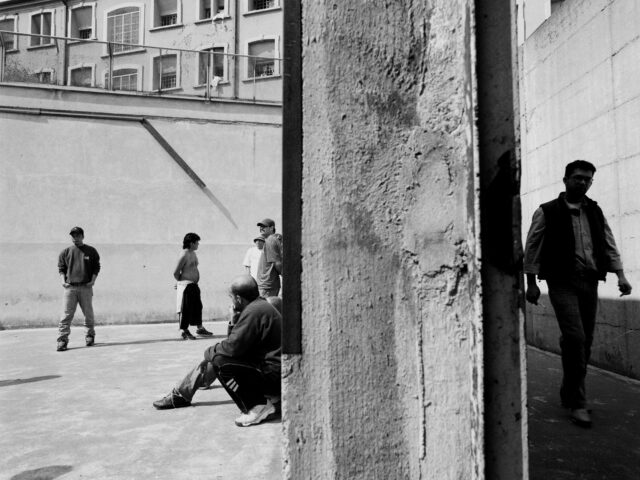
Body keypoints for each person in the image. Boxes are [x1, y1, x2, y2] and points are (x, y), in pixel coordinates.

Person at [524, 160, 632, 428]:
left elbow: (608, 243)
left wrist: (620, 275)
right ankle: (578, 402)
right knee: (576, 337)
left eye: (587, 179)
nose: (582, 182)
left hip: (590, 283)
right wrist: (531, 283)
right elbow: (533, 246)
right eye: (577, 178)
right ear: (566, 180)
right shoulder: (547, 211)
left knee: (582, 341)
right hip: (562, 283)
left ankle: (570, 391)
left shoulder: (594, 210)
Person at [153, 275, 282, 427]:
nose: (232, 301)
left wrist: (208, 353)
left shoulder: (254, 312)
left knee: (219, 361)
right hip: (271, 372)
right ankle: (182, 393)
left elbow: (231, 349)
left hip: (273, 378)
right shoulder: (258, 306)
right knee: (217, 356)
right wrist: (233, 322)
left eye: (232, 297)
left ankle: (257, 405)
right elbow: (237, 344)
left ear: (239, 299)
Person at [57, 226, 101, 352]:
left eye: (77, 235)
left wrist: (92, 281)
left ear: (83, 236)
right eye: (73, 235)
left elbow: (96, 267)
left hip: (85, 288)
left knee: (88, 314)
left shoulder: (91, 251)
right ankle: (62, 340)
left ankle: (90, 336)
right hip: (70, 288)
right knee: (66, 315)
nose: (75, 238)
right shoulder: (65, 252)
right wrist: (63, 282)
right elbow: (61, 268)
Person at [174, 233, 213, 340]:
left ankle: (200, 328)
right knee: (185, 308)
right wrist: (180, 283)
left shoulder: (193, 254)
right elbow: (176, 272)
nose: (198, 245)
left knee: (198, 307)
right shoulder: (184, 255)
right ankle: (184, 330)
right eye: (197, 243)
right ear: (191, 243)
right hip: (186, 285)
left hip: (194, 285)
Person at [256, 218, 283, 298]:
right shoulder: (272, 239)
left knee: (266, 309)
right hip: (266, 284)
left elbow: (277, 263)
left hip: (267, 285)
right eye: (260, 226)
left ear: (271, 228)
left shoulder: (271, 240)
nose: (261, 228)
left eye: (264, 226)